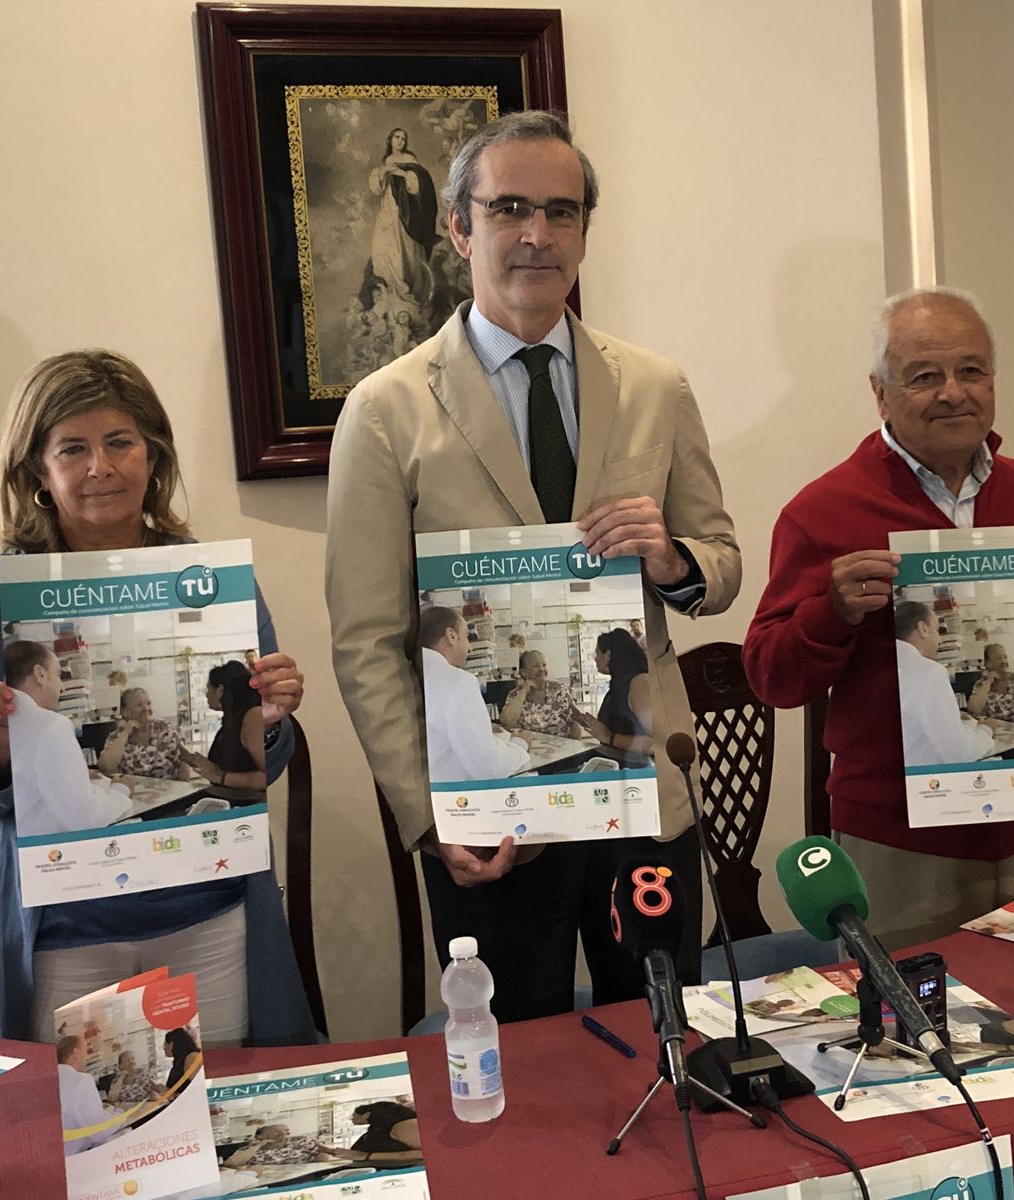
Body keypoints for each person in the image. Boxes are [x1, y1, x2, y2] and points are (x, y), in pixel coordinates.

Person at [326, 110, 740, 1022]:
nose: (536, 234)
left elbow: (719, 563)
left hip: (641, 790)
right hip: (489, 809)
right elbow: (366, 642)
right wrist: (428, 815)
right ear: (459, 226)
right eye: (509, 207)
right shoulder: (386, 410)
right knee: (515, 1063)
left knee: (668, 1038)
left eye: (562, 211)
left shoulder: (656, 386)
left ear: (585, 231)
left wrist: (670, 558)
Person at [0, 349, 315, 1047]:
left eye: (120, 442)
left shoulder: (212, 581)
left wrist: (268, 720)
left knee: (220, 1099)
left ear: (153, 455)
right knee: (78, 1111)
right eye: (72, 449)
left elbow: (264, 761)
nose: (100, 467)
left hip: (207, 910)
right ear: (38, 471)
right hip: (63, 927)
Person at [743, 287, 1014, 947]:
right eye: (924, 376)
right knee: (909, 1008)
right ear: (881, 393)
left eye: (971, 370)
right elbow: (771, 679)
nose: (953, 392)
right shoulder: (823, 510)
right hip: (901, 848)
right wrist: (831, 612)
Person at [3, 639, 133, 836]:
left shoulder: (7, 720)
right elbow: (87, 817)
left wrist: (75, 775)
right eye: (58, 675)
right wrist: (121, 791)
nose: (62, 688)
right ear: (40, 674)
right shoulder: (50, 725)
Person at [420, 606, 532, 781]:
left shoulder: (412, 674)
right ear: (451, 635)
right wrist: (520, 744)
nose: (470, 648)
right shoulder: (457, 681)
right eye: (467, 637)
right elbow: (489, 767)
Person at [893, 600, 994, 767]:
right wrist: (986, 730)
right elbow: (959, 752)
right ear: (923, 629)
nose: (939, 639)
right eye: (937, 630)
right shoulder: (929, 672)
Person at [368, 127, 441, 308]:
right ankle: (393, 291)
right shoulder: (386, 161)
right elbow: (377, 188)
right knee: (385, 248)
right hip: (388, 211)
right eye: (397, 137)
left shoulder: (410, 160)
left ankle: (409, 292)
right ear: (390, 140)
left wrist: (403, 174)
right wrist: (386, 170)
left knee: (407, 252)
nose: (400, 141)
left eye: (403, 138)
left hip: (406, 214)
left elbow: (417, 187)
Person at [180, 661, 266, 794]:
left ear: (220, 690)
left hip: (250, 801)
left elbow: (269, 776)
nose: (206, 695)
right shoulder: (230, 722)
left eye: (209, 688)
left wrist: (221, 776)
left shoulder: (252, 717)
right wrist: (199, 763)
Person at [572, 627, 653, 764]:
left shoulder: (639, 683)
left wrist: (610, 737)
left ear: (608, 655)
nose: (595, 659)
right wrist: (594, 725)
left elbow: (657, 743)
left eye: (597, 653)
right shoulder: (618, 685)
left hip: (637, 770)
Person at [96, 687, 188, 780]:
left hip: (168, 787)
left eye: (148, 703)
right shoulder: (116, 737)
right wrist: (126, 732)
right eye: (139, 705)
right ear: (125, 712)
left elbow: (184, 760)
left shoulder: (164, 729)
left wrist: (183, 786)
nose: (146, 708)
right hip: (131, 788)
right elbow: (106, 767)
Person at [316, 1101, 422, 1166]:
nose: (351, 1118)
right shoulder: (376, 1129)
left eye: (353, 1115)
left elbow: (422, 1154)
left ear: (366, 1115)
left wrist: (366, 1156)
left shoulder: (403, 1127)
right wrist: (330, 1151)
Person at [498, 649, 575, 737]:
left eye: (544, 665)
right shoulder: (515, 694)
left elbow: (575, 721)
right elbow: (507, 721)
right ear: (523, 672)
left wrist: (577, 743)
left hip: (562, 743)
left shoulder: (559, 689)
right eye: (536, 666)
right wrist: (524, 691)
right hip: (529, 743)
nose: (541, 669)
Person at [57, 1036, 114, 1155]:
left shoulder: (48, 1079)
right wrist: (120, 1114)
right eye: (86, 1051)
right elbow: (98, 1132)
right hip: (76, 1156)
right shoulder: (81, 1080)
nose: (88, 1058)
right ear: (76, 1052)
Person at [966, 642, 1014, 724]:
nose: (1004, 661)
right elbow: (974, 709)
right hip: (996, 729)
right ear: (987, 663)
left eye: (1005, 657)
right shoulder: (981, 685)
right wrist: (988, 682)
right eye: (999, 658)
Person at [163, 1025, 201, 1092]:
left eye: (165, 1045)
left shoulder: (191, 1057)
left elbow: (199, 1088)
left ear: (171, 1044)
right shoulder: (178, 1061)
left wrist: (173, 1095)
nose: (164, 1048)